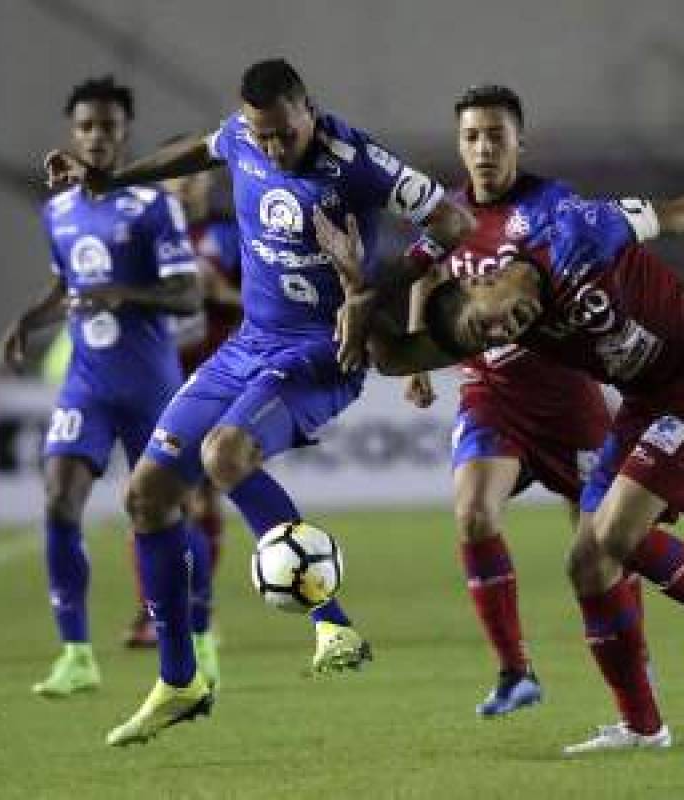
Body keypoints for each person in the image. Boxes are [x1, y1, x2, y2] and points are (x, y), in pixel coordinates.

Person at [314, 154, 684, 752]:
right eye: (486, 341)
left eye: (489, 324)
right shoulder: (509, 326)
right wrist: (355, 286)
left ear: (482, 280)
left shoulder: (579, 233)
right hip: (650, 404)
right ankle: (644, 729)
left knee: (614, 534)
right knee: (588, 563)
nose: (501, 334)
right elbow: (396, 358)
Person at [43, 58, 474, 746]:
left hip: (321, 353)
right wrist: (114, 177)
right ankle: (180, 681)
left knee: (225, 454)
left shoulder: (359, 160)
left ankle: (332, 626)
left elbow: (454, 224)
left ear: (309, 109)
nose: (271, 146)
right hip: (248, 344)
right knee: (147, 495)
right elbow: (199, 149)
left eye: (282, 133)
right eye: (260, 136)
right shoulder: (241, 138)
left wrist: (370, 286)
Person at [0, 76, 218, 699]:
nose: (96, 136)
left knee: (175, 513)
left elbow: (184, 293)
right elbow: (66, 288)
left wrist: (127, 294)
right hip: (87, 386)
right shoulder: (58, 210)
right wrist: (28, 321)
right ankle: (76, 654)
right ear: (74, 132)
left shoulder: (154, 207)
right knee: (58, 500)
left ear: (125, 134)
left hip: (151, 385)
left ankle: (199, 639)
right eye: (86, 126)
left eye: (108, 127)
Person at [124, 167, 244, 649]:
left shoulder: (228, 238)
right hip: (153, 381)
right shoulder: (143, 240)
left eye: (195, 179)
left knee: (200, 499)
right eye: (178, 180)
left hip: (209, 382)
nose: (187, 187)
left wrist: (220, 293)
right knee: (145, 496)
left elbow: (262, 306)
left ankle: (199, 606)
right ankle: (153, 607)